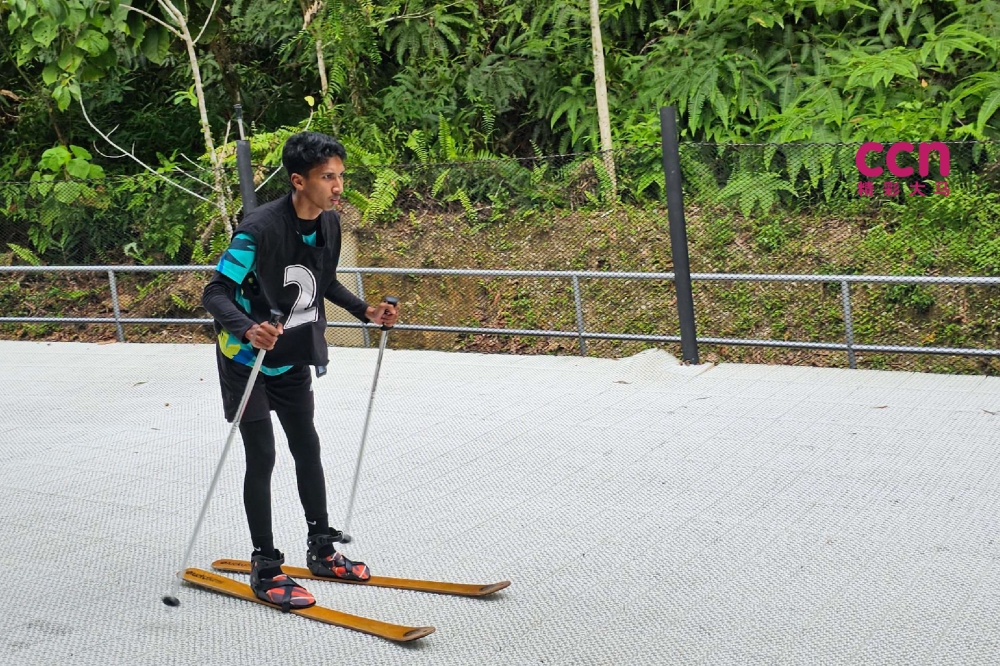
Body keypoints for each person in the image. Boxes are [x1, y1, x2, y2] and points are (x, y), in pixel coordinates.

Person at [201, 131, 398, 610]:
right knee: (263, 455)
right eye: (327, 177)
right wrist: (248, 329)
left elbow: (324, 280)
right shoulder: (259, 229)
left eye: (340, 176)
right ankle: (266, 565)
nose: (338, 186)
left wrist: (364, 311)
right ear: (298, 181)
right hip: (245, 359)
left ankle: (321, 548)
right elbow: (215, 292)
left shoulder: (328, 224)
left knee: (307, 446)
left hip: (289, 354)